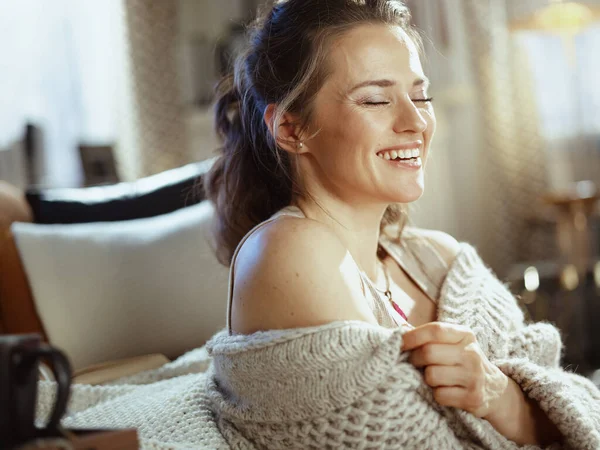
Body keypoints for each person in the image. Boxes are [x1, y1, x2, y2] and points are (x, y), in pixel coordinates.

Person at [203, 0, 600, 448]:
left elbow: (576, 408)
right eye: (374, 99)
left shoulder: (438, 258)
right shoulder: (289, 250)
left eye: (421, 95)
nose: (415, 122)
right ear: (292, 128)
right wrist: (514, 411)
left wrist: (501, 396)